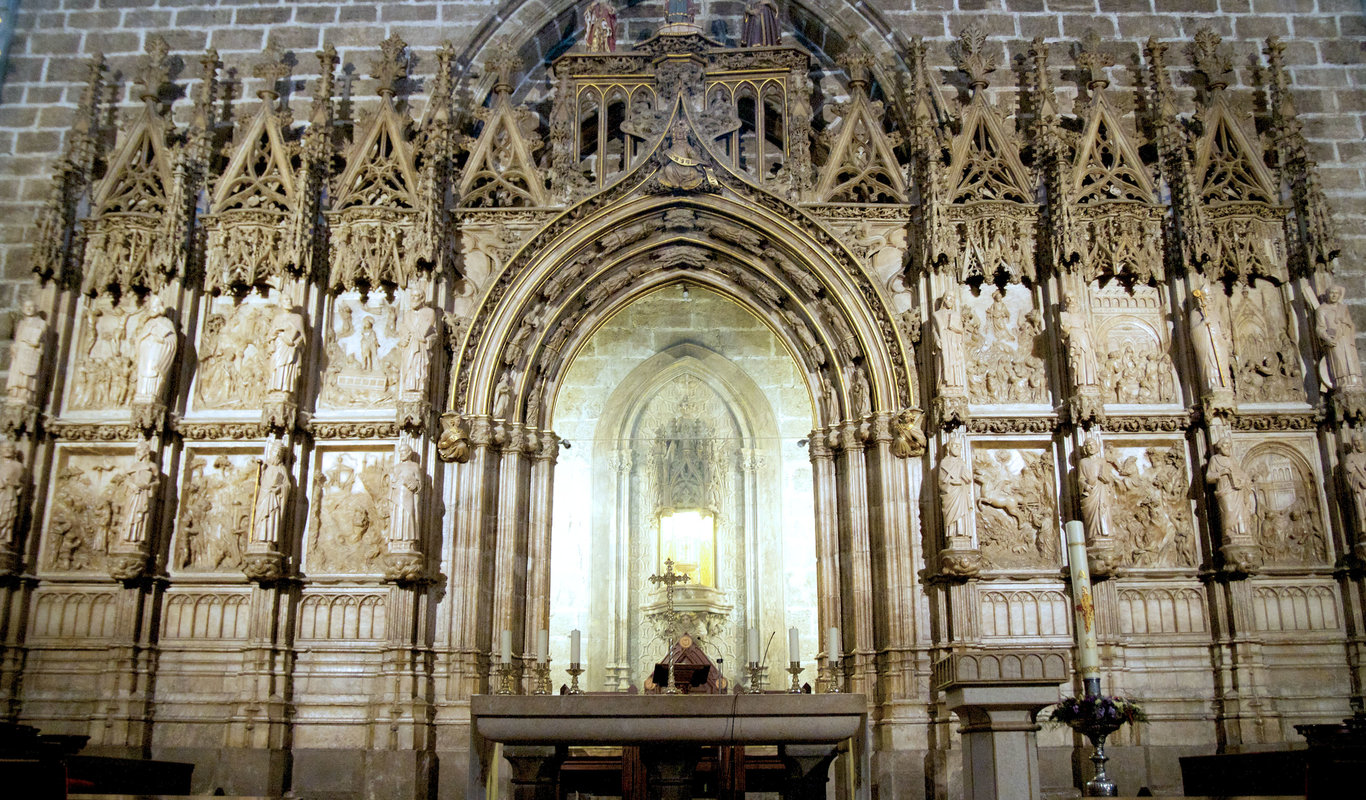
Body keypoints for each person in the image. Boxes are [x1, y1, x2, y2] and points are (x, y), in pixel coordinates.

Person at [5, 298, 46, 406]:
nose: (28, 309)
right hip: (19, 353)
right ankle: (15, 392)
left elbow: (39, 340)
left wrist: (31, 342)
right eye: (26, 307)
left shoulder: (41, 323)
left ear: (36, 309)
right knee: (16, 374)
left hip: (30, 352)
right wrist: (14, 346)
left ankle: (26, 394)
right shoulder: (21, 323)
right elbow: (18, 338)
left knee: (27, 377)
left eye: (31, 306)